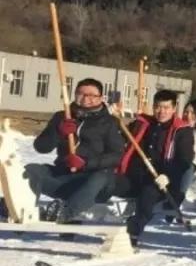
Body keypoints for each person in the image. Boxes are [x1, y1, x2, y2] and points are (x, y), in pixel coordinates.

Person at [25, 78, 125, 222]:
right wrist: (58, 132)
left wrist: (86, 163)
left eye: (91, 95)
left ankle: (65, 214)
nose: (85, 98)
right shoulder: (62, 117)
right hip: (64, 176)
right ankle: (25, 210)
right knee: (30, 170)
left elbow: (117, 155)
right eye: (81, 94)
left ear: (101, 98)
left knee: (100, 177)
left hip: (94, 180)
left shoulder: (110, 122)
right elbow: (40, 147)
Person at [113, 89, 193, 245]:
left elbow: (184, 160)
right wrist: (114, 118)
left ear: (174, 108)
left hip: (160, 181)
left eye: (166, 107)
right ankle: (74, 213)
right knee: (106, 182)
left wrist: (168, 176)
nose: (161, 111)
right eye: (157, 107)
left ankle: (133, 232)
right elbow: (120, 135)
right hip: (132, 177)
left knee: (148, 195)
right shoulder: (142, 123)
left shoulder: (182, 131)